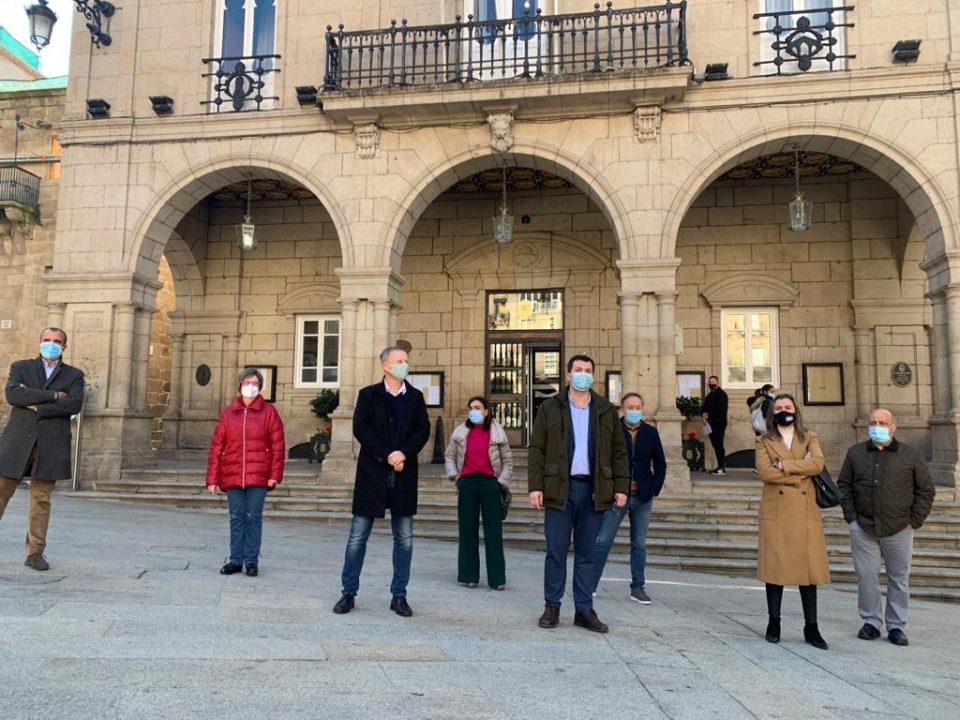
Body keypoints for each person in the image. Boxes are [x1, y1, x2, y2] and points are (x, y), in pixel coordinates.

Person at [528, 353, 629, 633]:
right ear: (568, 374)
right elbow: (537, 449)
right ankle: (552, 606)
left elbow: (619, 452)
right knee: (556, 551)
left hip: (594, 490)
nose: (583, 374)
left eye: (588, 370)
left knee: (587, 553)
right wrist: (535, 485)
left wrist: (621, 487)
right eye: (578, 370)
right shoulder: (550, 407)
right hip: (560, 487)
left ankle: (584, 609)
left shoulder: (606, 410)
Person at [333, 346, 430, 617]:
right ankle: (348, 593)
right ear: (386, 366)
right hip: (373, 474)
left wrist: (404, 453)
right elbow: (360, 429)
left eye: (406, 361)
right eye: (399, 361)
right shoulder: (368, 395)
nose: (405, 365)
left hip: (403, 473)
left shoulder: (414, 397)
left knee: (405, 539)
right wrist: (388, 454)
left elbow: (423, 429)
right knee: (357, 537)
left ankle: (399, 595)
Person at [837, 408, 935, 647]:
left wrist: (915, 520)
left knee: (899, 579)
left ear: (893, 426)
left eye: (882, 422)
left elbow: (925, 490)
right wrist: (851, 518)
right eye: (873, 422)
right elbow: (844, 486)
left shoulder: (910, 455)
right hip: (864, 527)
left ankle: (896, 626)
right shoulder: (855, 453)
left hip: (899, 527)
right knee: (866, 578)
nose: (877, 426)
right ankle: (871, 622)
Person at [0, 327, 84, 571]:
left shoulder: (74, 375)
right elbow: (14, 395)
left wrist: (38, 405)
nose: (51, 344)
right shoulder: (20, 367)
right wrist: (55, 395)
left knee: (41, 500)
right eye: (47, 340)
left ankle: (35, 552)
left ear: (64, 347)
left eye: (57, 341)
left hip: (51, 444)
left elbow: (74, 403)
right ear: (39, 342)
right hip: (16, 442)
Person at [754, 394, 830, 650]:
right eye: (778, 408)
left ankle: (812, 626)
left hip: (805, 512)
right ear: (771, 413)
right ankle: (773, 622)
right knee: (774, 571)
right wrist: (800, 469)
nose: (783, 411)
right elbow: (765, 472)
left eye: (787, 407)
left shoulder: (810, 437)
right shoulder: (763, 441)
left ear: (795, 410)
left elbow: (818, 464)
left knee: (808, 573)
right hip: (777, 511)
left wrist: (783, 465)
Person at [205, 368, 285, 577]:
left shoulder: (269, 412)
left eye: (255, 382)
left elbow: (278, 445)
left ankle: (251, 561)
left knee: (253, 517)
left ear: (260, 386)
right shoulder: (228, 413)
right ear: (240, 384)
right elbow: (216, 447)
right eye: (248, 381)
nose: (251, 385)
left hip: (259, 474)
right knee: (236, 517)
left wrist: (274, 474)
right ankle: (235, 560)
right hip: (232, 473)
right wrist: (212, 478)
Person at [593, 392, 666, 604]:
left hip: (642, 496)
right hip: (618, 496)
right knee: (602, 540)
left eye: (637, 407)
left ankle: (638, 587)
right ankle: (591, 584)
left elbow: (660, 463)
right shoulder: (611, 431)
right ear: (622, 409)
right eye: (630, 407)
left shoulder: (651, 433)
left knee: (639, 543)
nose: (633, 411)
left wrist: (654, 488)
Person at [444, 396, 513, 590]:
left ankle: (497, 579)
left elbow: (507, 461)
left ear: (486, 411)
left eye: (477, 407)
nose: (473, 411)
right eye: (470, 408)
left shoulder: (497, 433)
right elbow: (449, 455)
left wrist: (501, 482)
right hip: (467, 484)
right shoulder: (460, 432)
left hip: (491, 485)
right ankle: (469, 575)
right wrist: (454, 476)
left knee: (493, 533)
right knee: (467, 531)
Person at [701, 375, 728, 475]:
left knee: (718, 445)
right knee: (715, 445)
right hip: (710, 423)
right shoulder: (710, 394)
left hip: (718, 423)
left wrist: (708, 415)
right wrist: (703, 415)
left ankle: (721, 467)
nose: (711, 384)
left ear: (717, 382)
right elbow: (704, 407)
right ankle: (719, 467)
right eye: (710, 382)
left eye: (713, 382)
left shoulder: (721, 394)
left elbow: (721, 410)